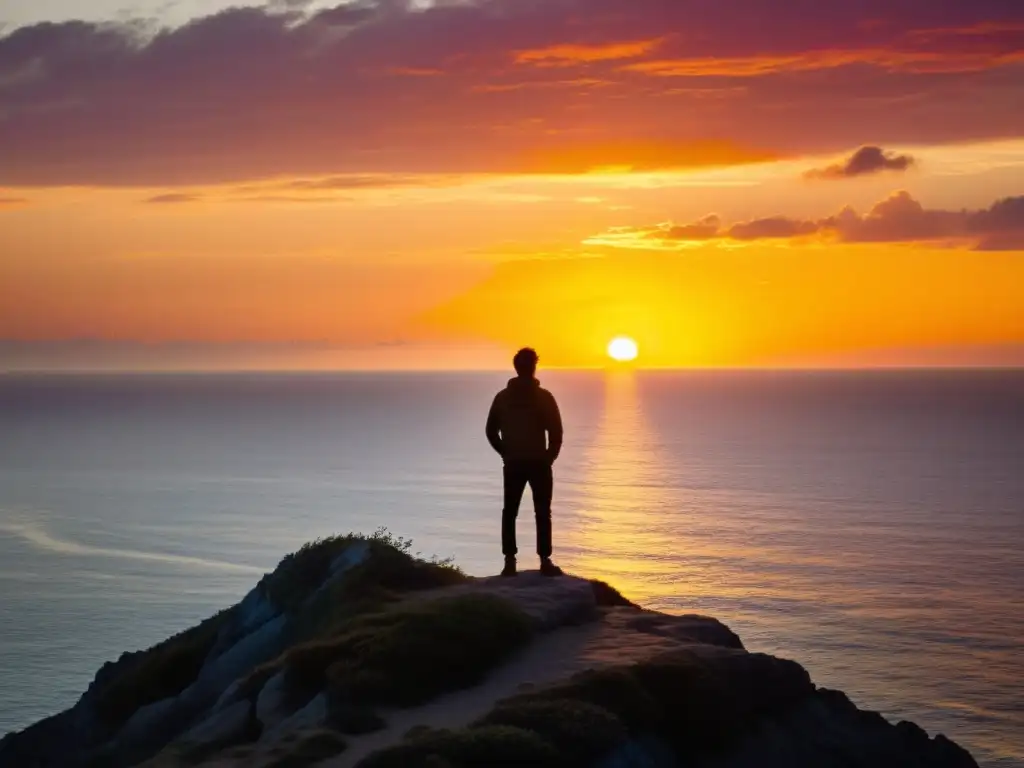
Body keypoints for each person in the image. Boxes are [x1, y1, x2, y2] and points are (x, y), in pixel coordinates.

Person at [485, 347, 564, 577]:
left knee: (510, 512)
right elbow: (556, 432)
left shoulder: (502, 397)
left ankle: (510, 562)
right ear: (533, 367)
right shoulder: (544, 397)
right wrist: (549, 458)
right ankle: (545, 561)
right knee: (542, 512)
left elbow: (491, 432)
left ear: (516, 367)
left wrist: (505, 452)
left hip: (515, 464)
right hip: (538, 463)